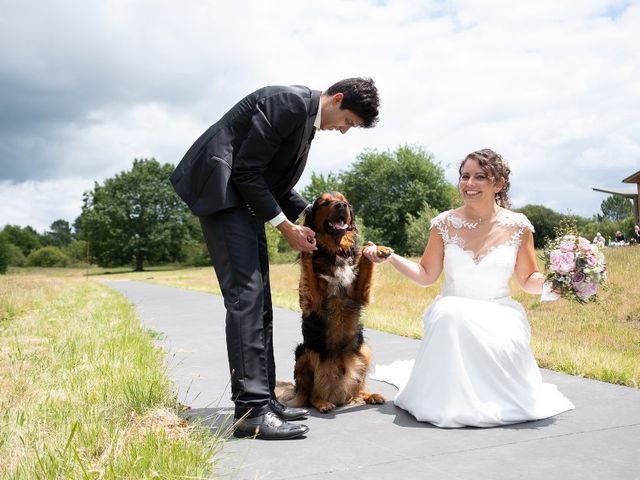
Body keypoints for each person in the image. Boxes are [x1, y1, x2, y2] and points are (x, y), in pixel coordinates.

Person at [170, 78, 380, 439]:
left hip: (242, 200)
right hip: (222, 192)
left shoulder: (304, 121)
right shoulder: (289, 104)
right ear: (338, 99)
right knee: (246, 298)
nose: (344, 131)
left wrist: (313, 215)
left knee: (260, 300)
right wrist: (287, 228)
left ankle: (265, 399)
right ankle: (251, 412)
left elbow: (274, 183)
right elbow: (248, 171)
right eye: (348, 122)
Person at [364, 148, 574, 428]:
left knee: (474, 325)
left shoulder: (518, 226)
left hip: (499, 311)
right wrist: (390, 256)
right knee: (451, 314)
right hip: (452, 308)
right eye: (465, 176)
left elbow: (528, 278)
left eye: (480, 177)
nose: (469, 184)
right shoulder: (443, 224)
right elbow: (426, 275)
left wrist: (554, 284)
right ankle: (447, 402)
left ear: (498, 183)